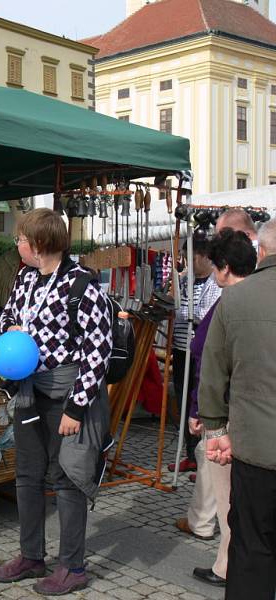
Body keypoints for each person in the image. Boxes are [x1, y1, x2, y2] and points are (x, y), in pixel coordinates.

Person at [0, 208, 113, 595]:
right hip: (28, 391)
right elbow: (8, 312)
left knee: (67, 480)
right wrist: (7, 325)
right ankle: (31, 556)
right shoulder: (25, 277)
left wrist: (77, 408)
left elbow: (99, 349)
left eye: (21, 239)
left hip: (66, 396)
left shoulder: (82, 285)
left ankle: (73, 567)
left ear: (40, 243)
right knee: (27, 475)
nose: (17, 245)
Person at [199, 218, 276, 598]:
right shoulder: (235, 299)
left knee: (250, 550)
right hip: (254, 447)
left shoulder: (235, 299)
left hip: (257, 452)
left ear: (261, 251)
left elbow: (212, 375)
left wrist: (215, 430)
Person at [181, 230, 256, 587]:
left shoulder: (229, 304)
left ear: (224, 268)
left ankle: (227, 566)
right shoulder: (260, 296)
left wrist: (200, 410)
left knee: (229, 500)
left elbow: (205, 358)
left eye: (214, 266)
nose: (212, 273)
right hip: (254, 413)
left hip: (227, 415)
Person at [169, 235, 220, 477]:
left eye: (191, 257)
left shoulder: (215, 281)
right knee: (182, 401)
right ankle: (189, 453)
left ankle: (202, 454)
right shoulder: (184, 280)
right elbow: (178, 311)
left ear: (203, 256)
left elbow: (205, 314)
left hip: (200, 353)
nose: (187, 262)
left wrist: (185, 312)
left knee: (199, 403)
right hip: (181, 350)